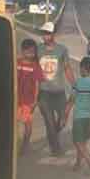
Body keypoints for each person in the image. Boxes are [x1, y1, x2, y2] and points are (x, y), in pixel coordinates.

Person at [36, 21, 76, 156]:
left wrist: (75, 85)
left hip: (59, 92)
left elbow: (67, 68)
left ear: (53, 34)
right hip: (43, 92)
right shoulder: (38, 49)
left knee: (62, 120)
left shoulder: (62, 50)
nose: (45, 36)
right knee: (49, 122)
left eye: (47, 33)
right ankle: (55, 148)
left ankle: (52, 134)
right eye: (43, 33)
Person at [65, 56, 90, 173]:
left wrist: (64, 116)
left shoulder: (78, 83)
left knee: (77, 141)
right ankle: (78, 163)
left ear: (83, 69)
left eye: (80, 69)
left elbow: (71, 100)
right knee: (83, 141)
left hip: (79, 116)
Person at [16, 38, 45, 155]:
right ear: (22, 51)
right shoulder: (16, 62)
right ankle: (14, 143)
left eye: (33, 51)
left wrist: (35, 100)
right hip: (15, 99)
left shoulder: (35, 66)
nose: (31, 54)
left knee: (27, 124)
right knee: (14, 122)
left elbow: (37, 84)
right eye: (28, 51)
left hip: (28, 101)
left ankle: (25, 145)